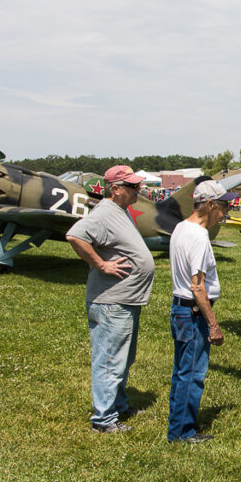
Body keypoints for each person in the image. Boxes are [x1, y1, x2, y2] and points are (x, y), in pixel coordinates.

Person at [65, 165, 154, 434]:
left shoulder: (120, 211)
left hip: (125, 300)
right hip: (110, 303)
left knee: (122, 359)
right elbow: (75, 235)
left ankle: (118, 404)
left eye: (138, 186)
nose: (139, 190)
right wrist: (102, 265)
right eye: (133, 187)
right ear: (115, 189)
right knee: (109, 360)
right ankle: (103, 420)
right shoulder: (104, 213)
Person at [167, 179, 238, 444]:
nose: (226, 211)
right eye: (223, 205)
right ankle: (182, 432)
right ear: (208, 205)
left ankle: (178, 423)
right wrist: (213, 325)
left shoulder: (180, 228)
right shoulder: (198, 236)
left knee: (181, 371)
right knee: (193, 374)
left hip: (180, 309)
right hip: (193, 312)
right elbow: (198, 287)